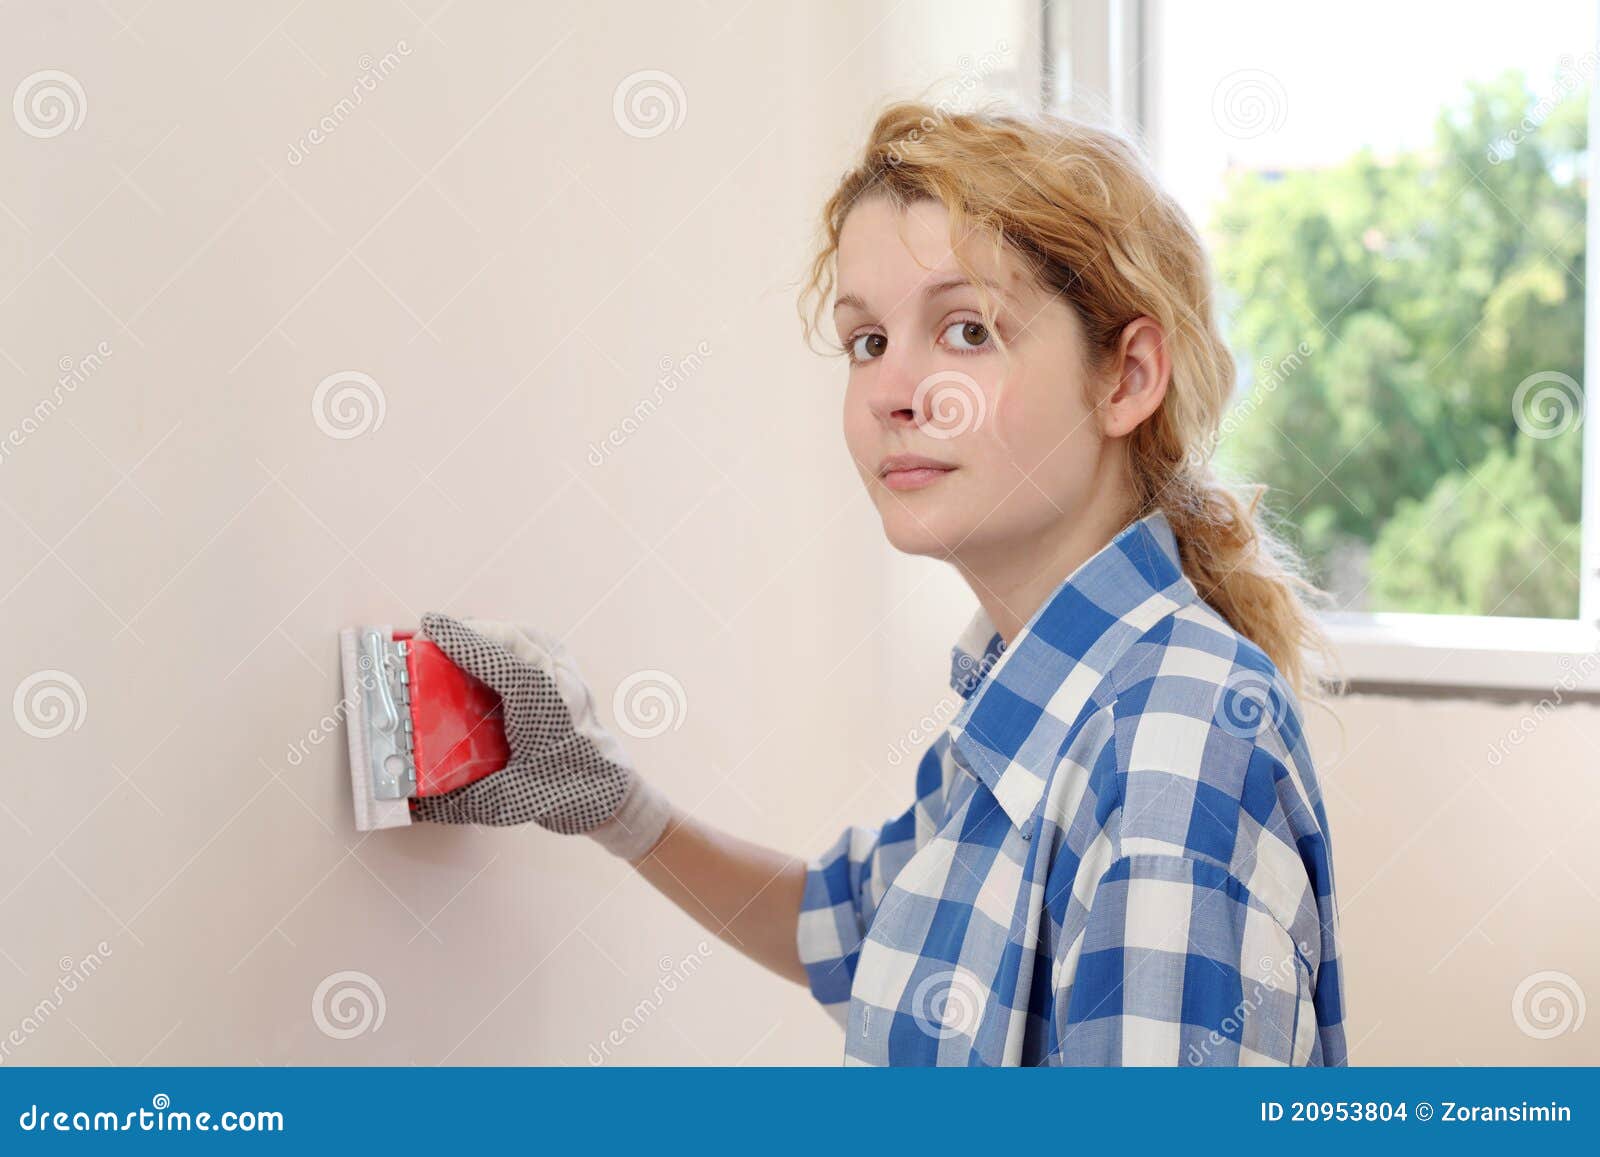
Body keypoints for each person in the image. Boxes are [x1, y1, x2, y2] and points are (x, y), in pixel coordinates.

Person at [413, 100, 1348, 1066]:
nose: (896, 391)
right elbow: (862, 932)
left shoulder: (1171, 736)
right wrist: (610, 802)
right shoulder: (1035, 696)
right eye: (868, 341)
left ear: (1126, 377)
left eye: (968, 330)